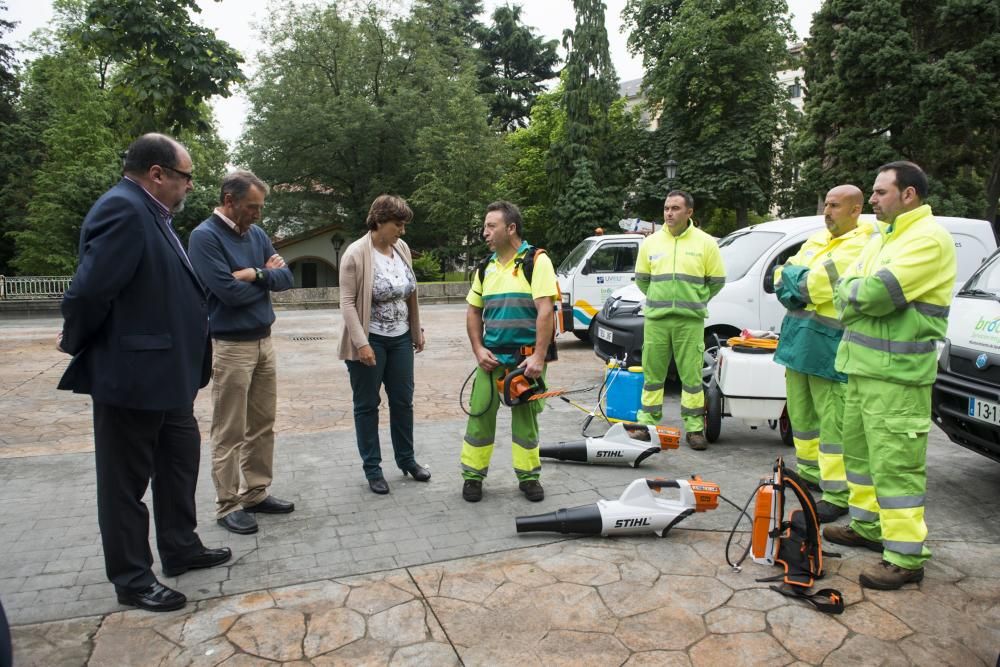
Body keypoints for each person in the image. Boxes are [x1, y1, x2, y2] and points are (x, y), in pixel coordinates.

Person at [57, 133, 229, 612]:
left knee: (178, 463)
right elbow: (89, 292)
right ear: (158, 173)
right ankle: (133, 578)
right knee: (125, 483)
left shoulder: (152, 214)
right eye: (186, 177)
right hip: (132, 376)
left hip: (167, 379)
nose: (190, 187)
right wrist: (77, 341)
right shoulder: (124, 210)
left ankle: (180, 546)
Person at [824, 161, 956, 590]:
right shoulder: (885, 236)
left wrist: (853, 292)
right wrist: (854, 292)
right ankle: (867, 526)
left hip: (898, 377)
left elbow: (876, 293)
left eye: (880, 193)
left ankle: (904, 556)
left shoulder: (929, 239)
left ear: (909, 195)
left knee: (897, 466)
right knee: (860, 459)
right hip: (863, 369)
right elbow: (848, 287)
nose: (873, 200)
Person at [187, 170, 296, 535]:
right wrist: (264, 275)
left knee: (262, 424)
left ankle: (255, 492)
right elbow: (227, 295)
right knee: (230, 428)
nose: (258, 214)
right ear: (229, 201)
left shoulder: (257, 234)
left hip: (264, 340)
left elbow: (286, 279)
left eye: (260, 207)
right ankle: (228, 503)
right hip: (231, 346)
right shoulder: (204, 238)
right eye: (252, 207)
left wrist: (253, 274)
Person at [773, 185, 874, 522]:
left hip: (828, 345)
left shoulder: (863, 244)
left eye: (835, 206)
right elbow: (780, 276)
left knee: (833, 424)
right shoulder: (818, 239)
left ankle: (837, 493)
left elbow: (815, 285)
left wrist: (796, 282)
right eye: (826, 204)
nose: (827, 211)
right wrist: (796, 282)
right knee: (802, 418)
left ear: (856, 209)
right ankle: (809, 473)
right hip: (798, 343)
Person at [460, 201, 558, 503]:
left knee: (525, 423)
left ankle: (529, 478)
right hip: (490, 362)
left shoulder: (536, 261)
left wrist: (538, 357)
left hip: (524, 362)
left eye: (491, 226)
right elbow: (473, 312)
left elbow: (545, 312)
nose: (484, 232)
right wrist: (478, 349)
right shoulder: (485, 268)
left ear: (511, 228)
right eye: (485, 226)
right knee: (479, 419)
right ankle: (472, 478)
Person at [338, 195, 429, 494]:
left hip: (400, 338)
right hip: (370, 340)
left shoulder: (401, 249)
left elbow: (409, 293)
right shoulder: (354, 253)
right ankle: (373, 469)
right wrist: (361, 343)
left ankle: (407, 460)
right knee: (367, 406)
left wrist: (417, 330)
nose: (402, 231)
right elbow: (348, 303)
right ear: (379, 221)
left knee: (403, 401)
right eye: (397, 225)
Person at [634, 190, 725, 449]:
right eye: (666, 208)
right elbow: (642, 279)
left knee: (692, 377)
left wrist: (697, 299)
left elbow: (717, 281)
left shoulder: (706, 243)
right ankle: (646, 423)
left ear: (689, 212)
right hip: (657, 320)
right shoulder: (651, 243)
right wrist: (656, 296)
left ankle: (695, 429)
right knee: (652, 374)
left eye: (675, 208)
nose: (669, 213)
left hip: (690, 320)